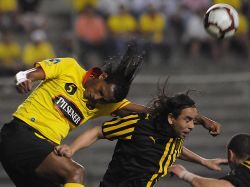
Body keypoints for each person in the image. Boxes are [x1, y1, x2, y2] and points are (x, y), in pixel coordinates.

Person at [0, 43, 145, 187]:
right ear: (102, 76)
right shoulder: (70, 67)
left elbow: (147, 112)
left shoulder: (104, 104)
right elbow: (24, 74)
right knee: (75, 173)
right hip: (21, 134)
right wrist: (24, 80)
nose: (97, 98)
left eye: (104, 100)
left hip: (41, 151)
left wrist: (164, 110)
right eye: (100, 92)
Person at [55, 84, 227, 186]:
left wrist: (203, 161)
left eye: (193, 121)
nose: (191, 126)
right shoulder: (139, 125)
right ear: (170, 118)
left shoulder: (174, 136)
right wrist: (72, 148)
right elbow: (98, 131)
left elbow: (175, 150)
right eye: (188, 120)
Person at [169, 133, 250, 187]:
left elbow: (223, 186)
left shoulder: (245, 170)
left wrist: (183, 173)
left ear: (230, 154)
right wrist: (203, 161)